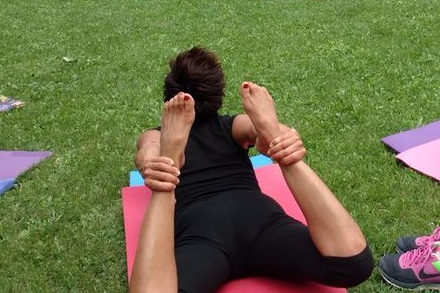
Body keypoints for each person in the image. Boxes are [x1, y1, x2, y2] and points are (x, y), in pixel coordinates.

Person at [130, 47, 373, 293]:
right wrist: (157, 164)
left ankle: (174, 162)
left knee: (354, 263)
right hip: (240, 228)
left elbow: (147, 151)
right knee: (353, 264)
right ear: (218, 94)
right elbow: (147, 154)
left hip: (227, 232)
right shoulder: (228, 125)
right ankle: (172, 162)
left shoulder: (176, 133)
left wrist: (274, 136)